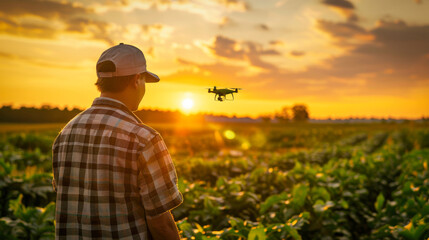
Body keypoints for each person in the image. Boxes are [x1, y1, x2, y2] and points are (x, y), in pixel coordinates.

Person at [52, 43, 183, 239]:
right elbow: (161, 224)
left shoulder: (66, 133)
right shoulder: (145, 139)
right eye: (144, 81)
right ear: (136, 80)